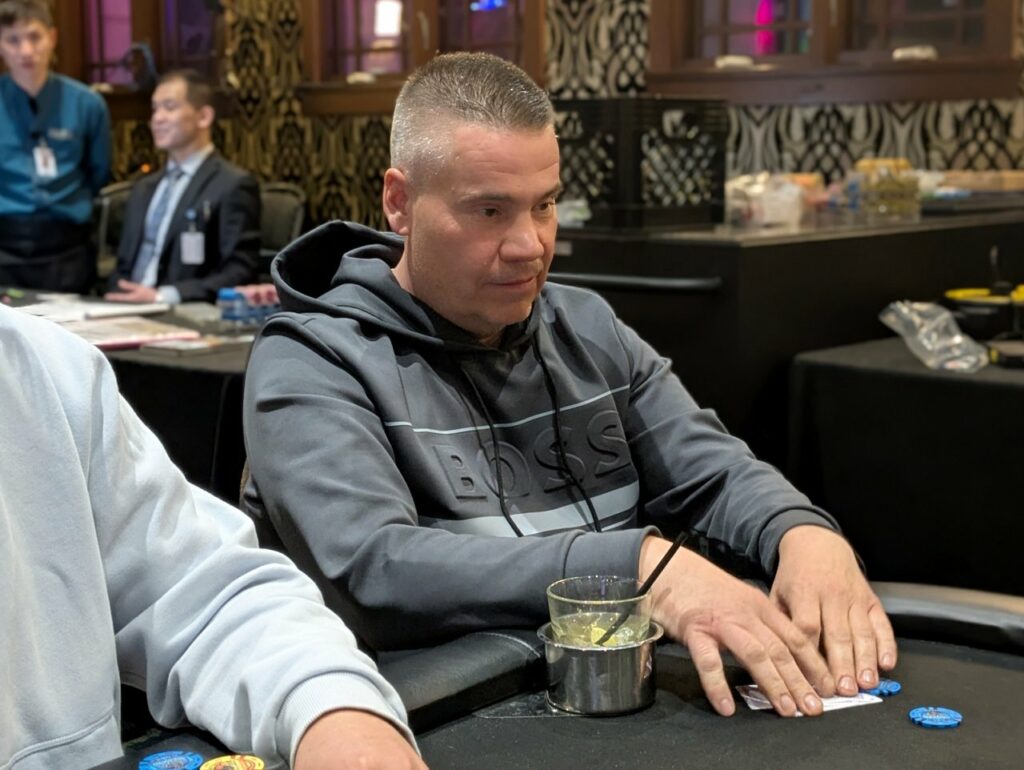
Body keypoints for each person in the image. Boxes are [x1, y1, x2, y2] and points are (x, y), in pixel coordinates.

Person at [241, 52, 897, 720]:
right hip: (436, 720)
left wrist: (801, 535)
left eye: (545, 205)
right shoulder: (311, 358)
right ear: (400, 203)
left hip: (616, 704)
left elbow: (714, 473)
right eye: (489, 210)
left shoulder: (587, 323)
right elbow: (375, 567)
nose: (530, 245)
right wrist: (640, 568)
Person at [0, 303, 426, 769]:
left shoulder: (45, 365)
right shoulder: (312, 354)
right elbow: (374, 562)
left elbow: (206, 597)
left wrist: (333, 708)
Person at [106, 68, 258, 304]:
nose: (157, 118)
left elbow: (239, 272)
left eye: (169, 107)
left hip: (183, 309)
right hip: (123, 309)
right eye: (154, 109)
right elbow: (123, 266)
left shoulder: (232, 185)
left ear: (203, 117)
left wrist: (163, 296)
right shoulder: (144, 187)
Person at [0, 0, 111, 293]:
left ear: (52, 37)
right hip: (5, 244)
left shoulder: (88, 104)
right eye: (13, 40)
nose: (26, 50)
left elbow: (99, 171)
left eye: (34, 37)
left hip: (67, 247)